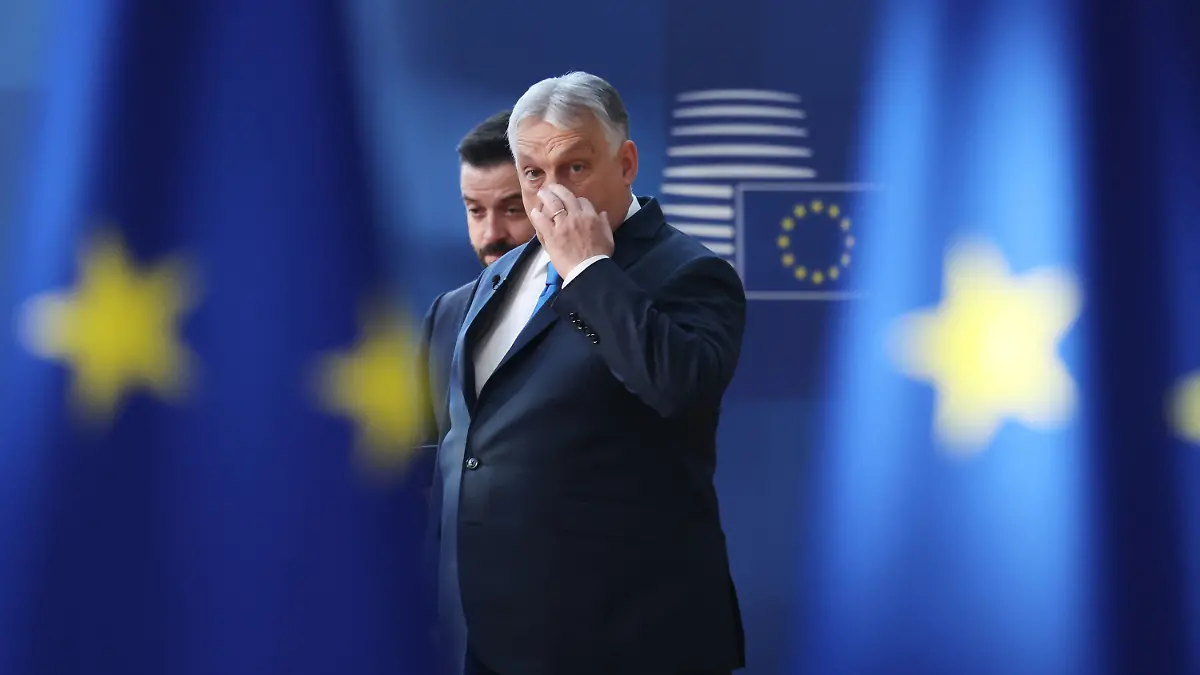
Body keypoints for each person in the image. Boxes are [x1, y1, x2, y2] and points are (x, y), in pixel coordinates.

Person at [434, 71, 747, 675]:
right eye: (533, 174)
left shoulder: (692, 273)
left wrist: (588, 270)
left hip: (628, 640)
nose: (550, 195)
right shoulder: (493, 282)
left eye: (574, 168)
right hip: (490, 637)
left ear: (626, 163)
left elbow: (677, 386)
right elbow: (461, 441)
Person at [418, 109, 534, 445]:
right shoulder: (446, 314)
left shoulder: (598, 303)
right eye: (475, 211)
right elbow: (431, 452)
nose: (490, 234)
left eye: (512, 209)